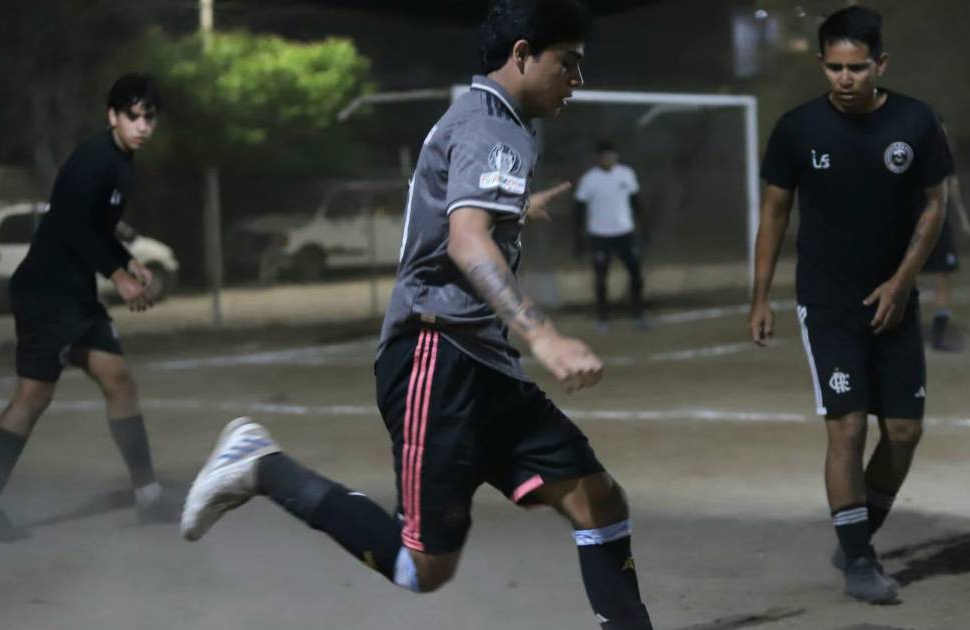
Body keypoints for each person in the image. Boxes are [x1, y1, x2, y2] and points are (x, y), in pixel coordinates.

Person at [180, 2, 654, 628]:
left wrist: (514, 207)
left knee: (599, 499)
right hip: (438, 359)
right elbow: (466, 240)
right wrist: (544, 335)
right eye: (567, 64)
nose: (577, 79)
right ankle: (260, 466)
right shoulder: (491, 127)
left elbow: (461, 215)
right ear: (522, 55)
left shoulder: (491, 119)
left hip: (481, 364)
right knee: (420, 566)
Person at [747, 5, 953, 604]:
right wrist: (760, 297)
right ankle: (860, 562)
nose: (845, 79)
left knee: (905, 432)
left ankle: (856, 534)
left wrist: (901, 281)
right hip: (828, 302)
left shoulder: (916, 121)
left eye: (857, 68)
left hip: (895, 302)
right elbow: (774, 213)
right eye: (834, 67)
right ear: (822, 63)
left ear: (879, 64)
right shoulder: (797, 128)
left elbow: (934, 205)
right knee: (848, 426)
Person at [0, 73, 172, 542]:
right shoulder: (93, 159)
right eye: (133, 116)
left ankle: (149, 497)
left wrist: (128, 260)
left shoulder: (124, 163)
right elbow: (73, 226)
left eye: (149, 118)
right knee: (33, 396)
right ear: (113, 116)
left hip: (75, 296)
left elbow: (97, 231)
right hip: (46, 294)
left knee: (119, 380)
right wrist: (118, 276)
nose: (142, 126)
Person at [574, 141, 647, 331]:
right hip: (600, 235)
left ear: (616, 156)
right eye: (604, 156)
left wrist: (644, 230)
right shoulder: (589, 179)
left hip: (625, 233)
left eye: (611, 155)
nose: (608, 159)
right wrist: (578, 239)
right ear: (598, 158)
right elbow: (579, 209)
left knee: (636, 273)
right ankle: (603, 317)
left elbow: (636, 202)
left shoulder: (626, 174)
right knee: (601, 277)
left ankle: (638, 313)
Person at [921, 121, 970, 351]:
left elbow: (954, 189)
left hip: (930, 226)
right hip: (927, 225)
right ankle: (933, 336)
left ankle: (936, 334)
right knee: (933, 280)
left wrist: (963, 219)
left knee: (938, 278)